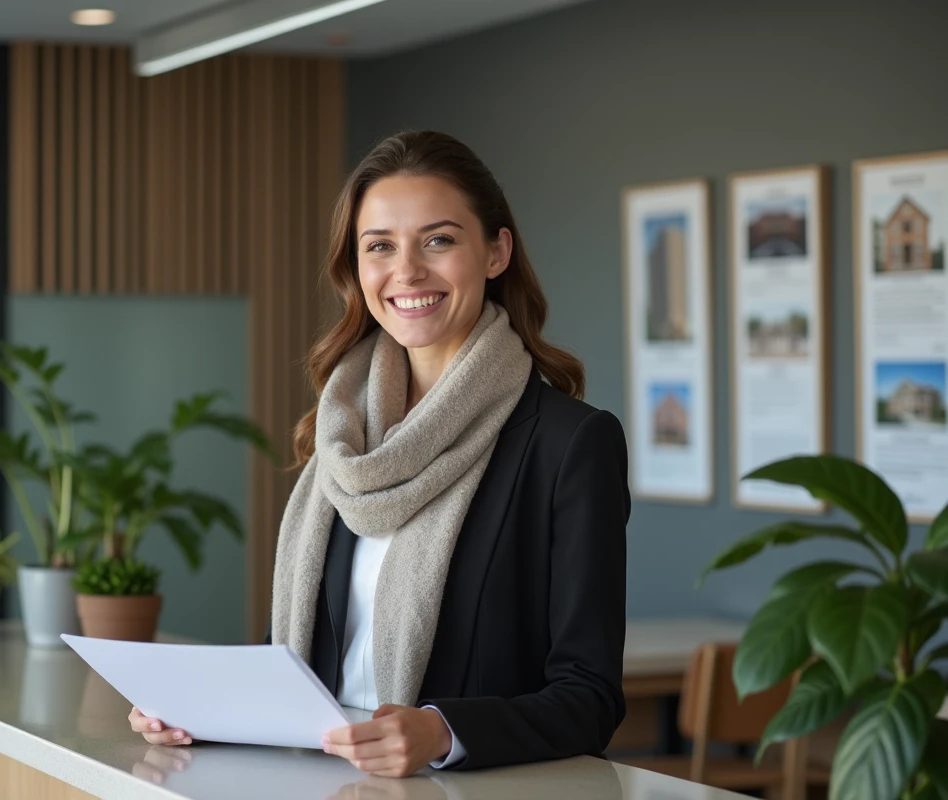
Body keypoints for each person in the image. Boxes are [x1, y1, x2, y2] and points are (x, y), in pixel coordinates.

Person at [130, 130, 629, 777]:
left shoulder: (568, 444)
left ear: (496, 252)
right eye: (380, 247)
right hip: (324, 785)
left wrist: (442, 732)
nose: (407, 271)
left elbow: (590, 698)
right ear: (356, 268)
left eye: (439, 240)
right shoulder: (340, 444)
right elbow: (300, 650)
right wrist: (200, 712)